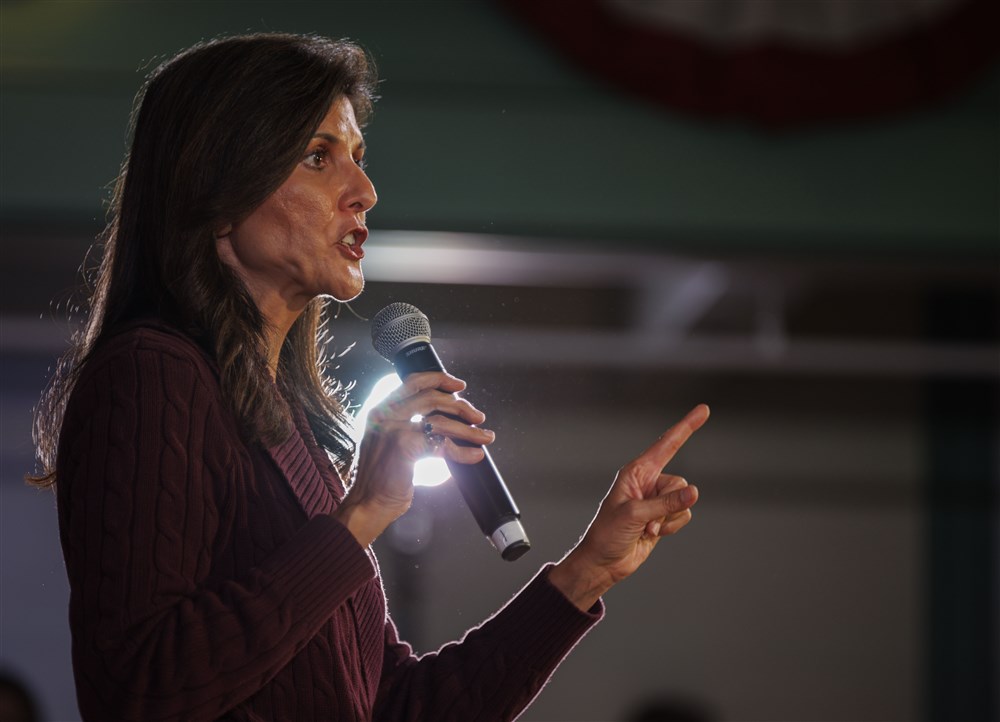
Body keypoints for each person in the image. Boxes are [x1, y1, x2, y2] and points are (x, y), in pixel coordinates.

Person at [30, 33, 708, 722]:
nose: (365, 192)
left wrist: (587, 568)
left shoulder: (292, 433)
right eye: (318, 157)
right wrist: (359, 516)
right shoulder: (153, 374)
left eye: (358, 158)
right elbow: (138, 691)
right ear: (218, 192)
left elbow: (395, 708)